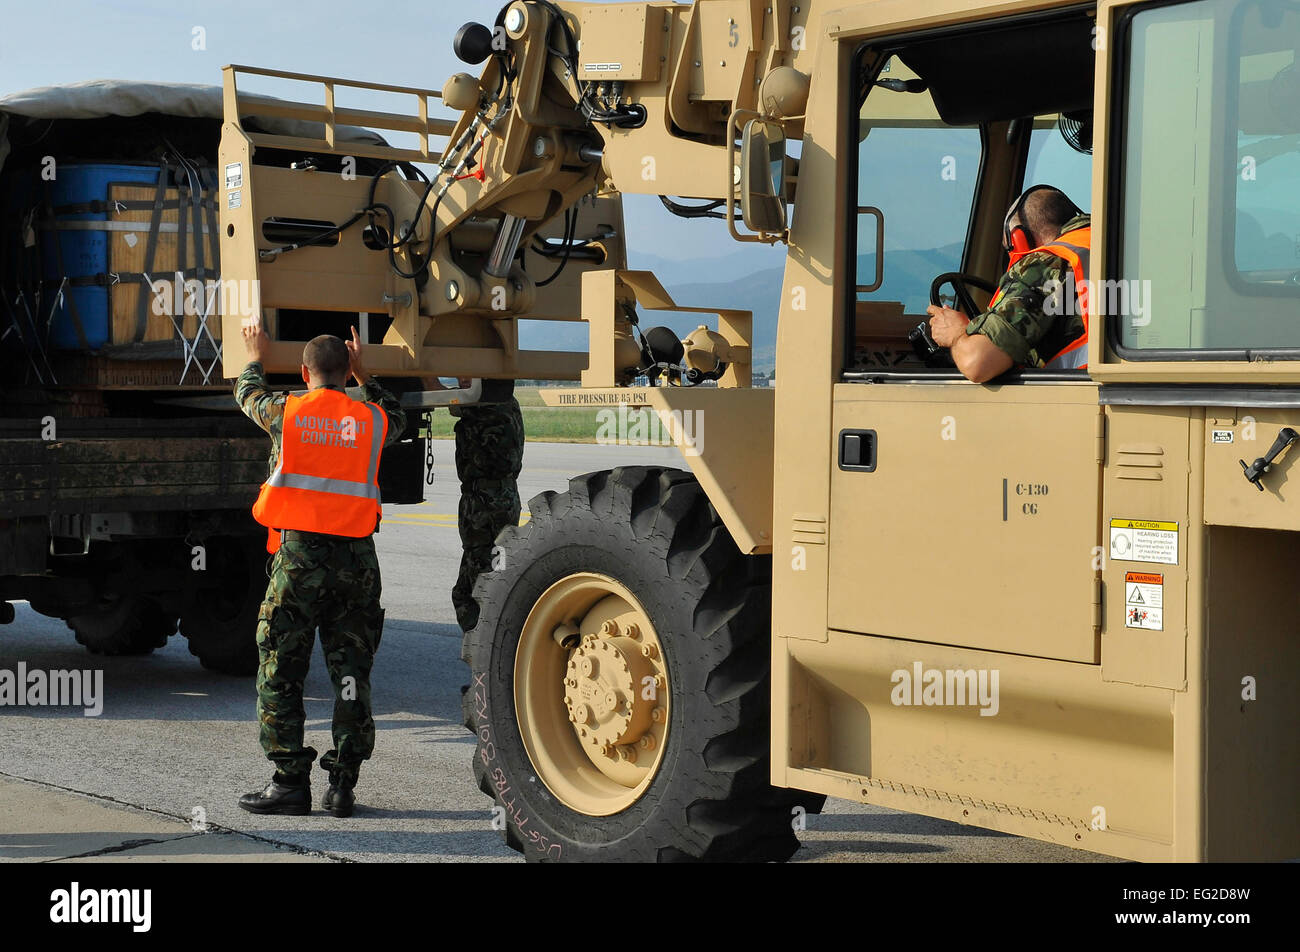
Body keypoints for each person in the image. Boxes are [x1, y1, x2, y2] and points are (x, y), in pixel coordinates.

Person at [234, 319, 406, 818]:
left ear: (302, 371)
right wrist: (366, 375)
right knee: (351, 672)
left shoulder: (287, 412)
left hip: (299, 562)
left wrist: (254, 355)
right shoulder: (370, 419)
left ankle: (290, 781)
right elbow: (394, 413)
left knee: (281, 669)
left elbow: (247, 393)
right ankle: (342, 786)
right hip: (355, 564)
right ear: (346, 369)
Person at [926, 185, 1091, 383]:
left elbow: (977, 363)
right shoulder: (1111, 244)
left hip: (1074, 400)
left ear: (1019, 239)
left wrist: (956, 334)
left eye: (1009, 249)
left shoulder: (1046, 263)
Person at [450, 382, 524, 632]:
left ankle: (483, 641)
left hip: (482, 500)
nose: (460, 382)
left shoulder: (478, 404)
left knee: (471, 588)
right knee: (497, 568)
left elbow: (447, 397)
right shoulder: (507, 402)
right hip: (507, 496)